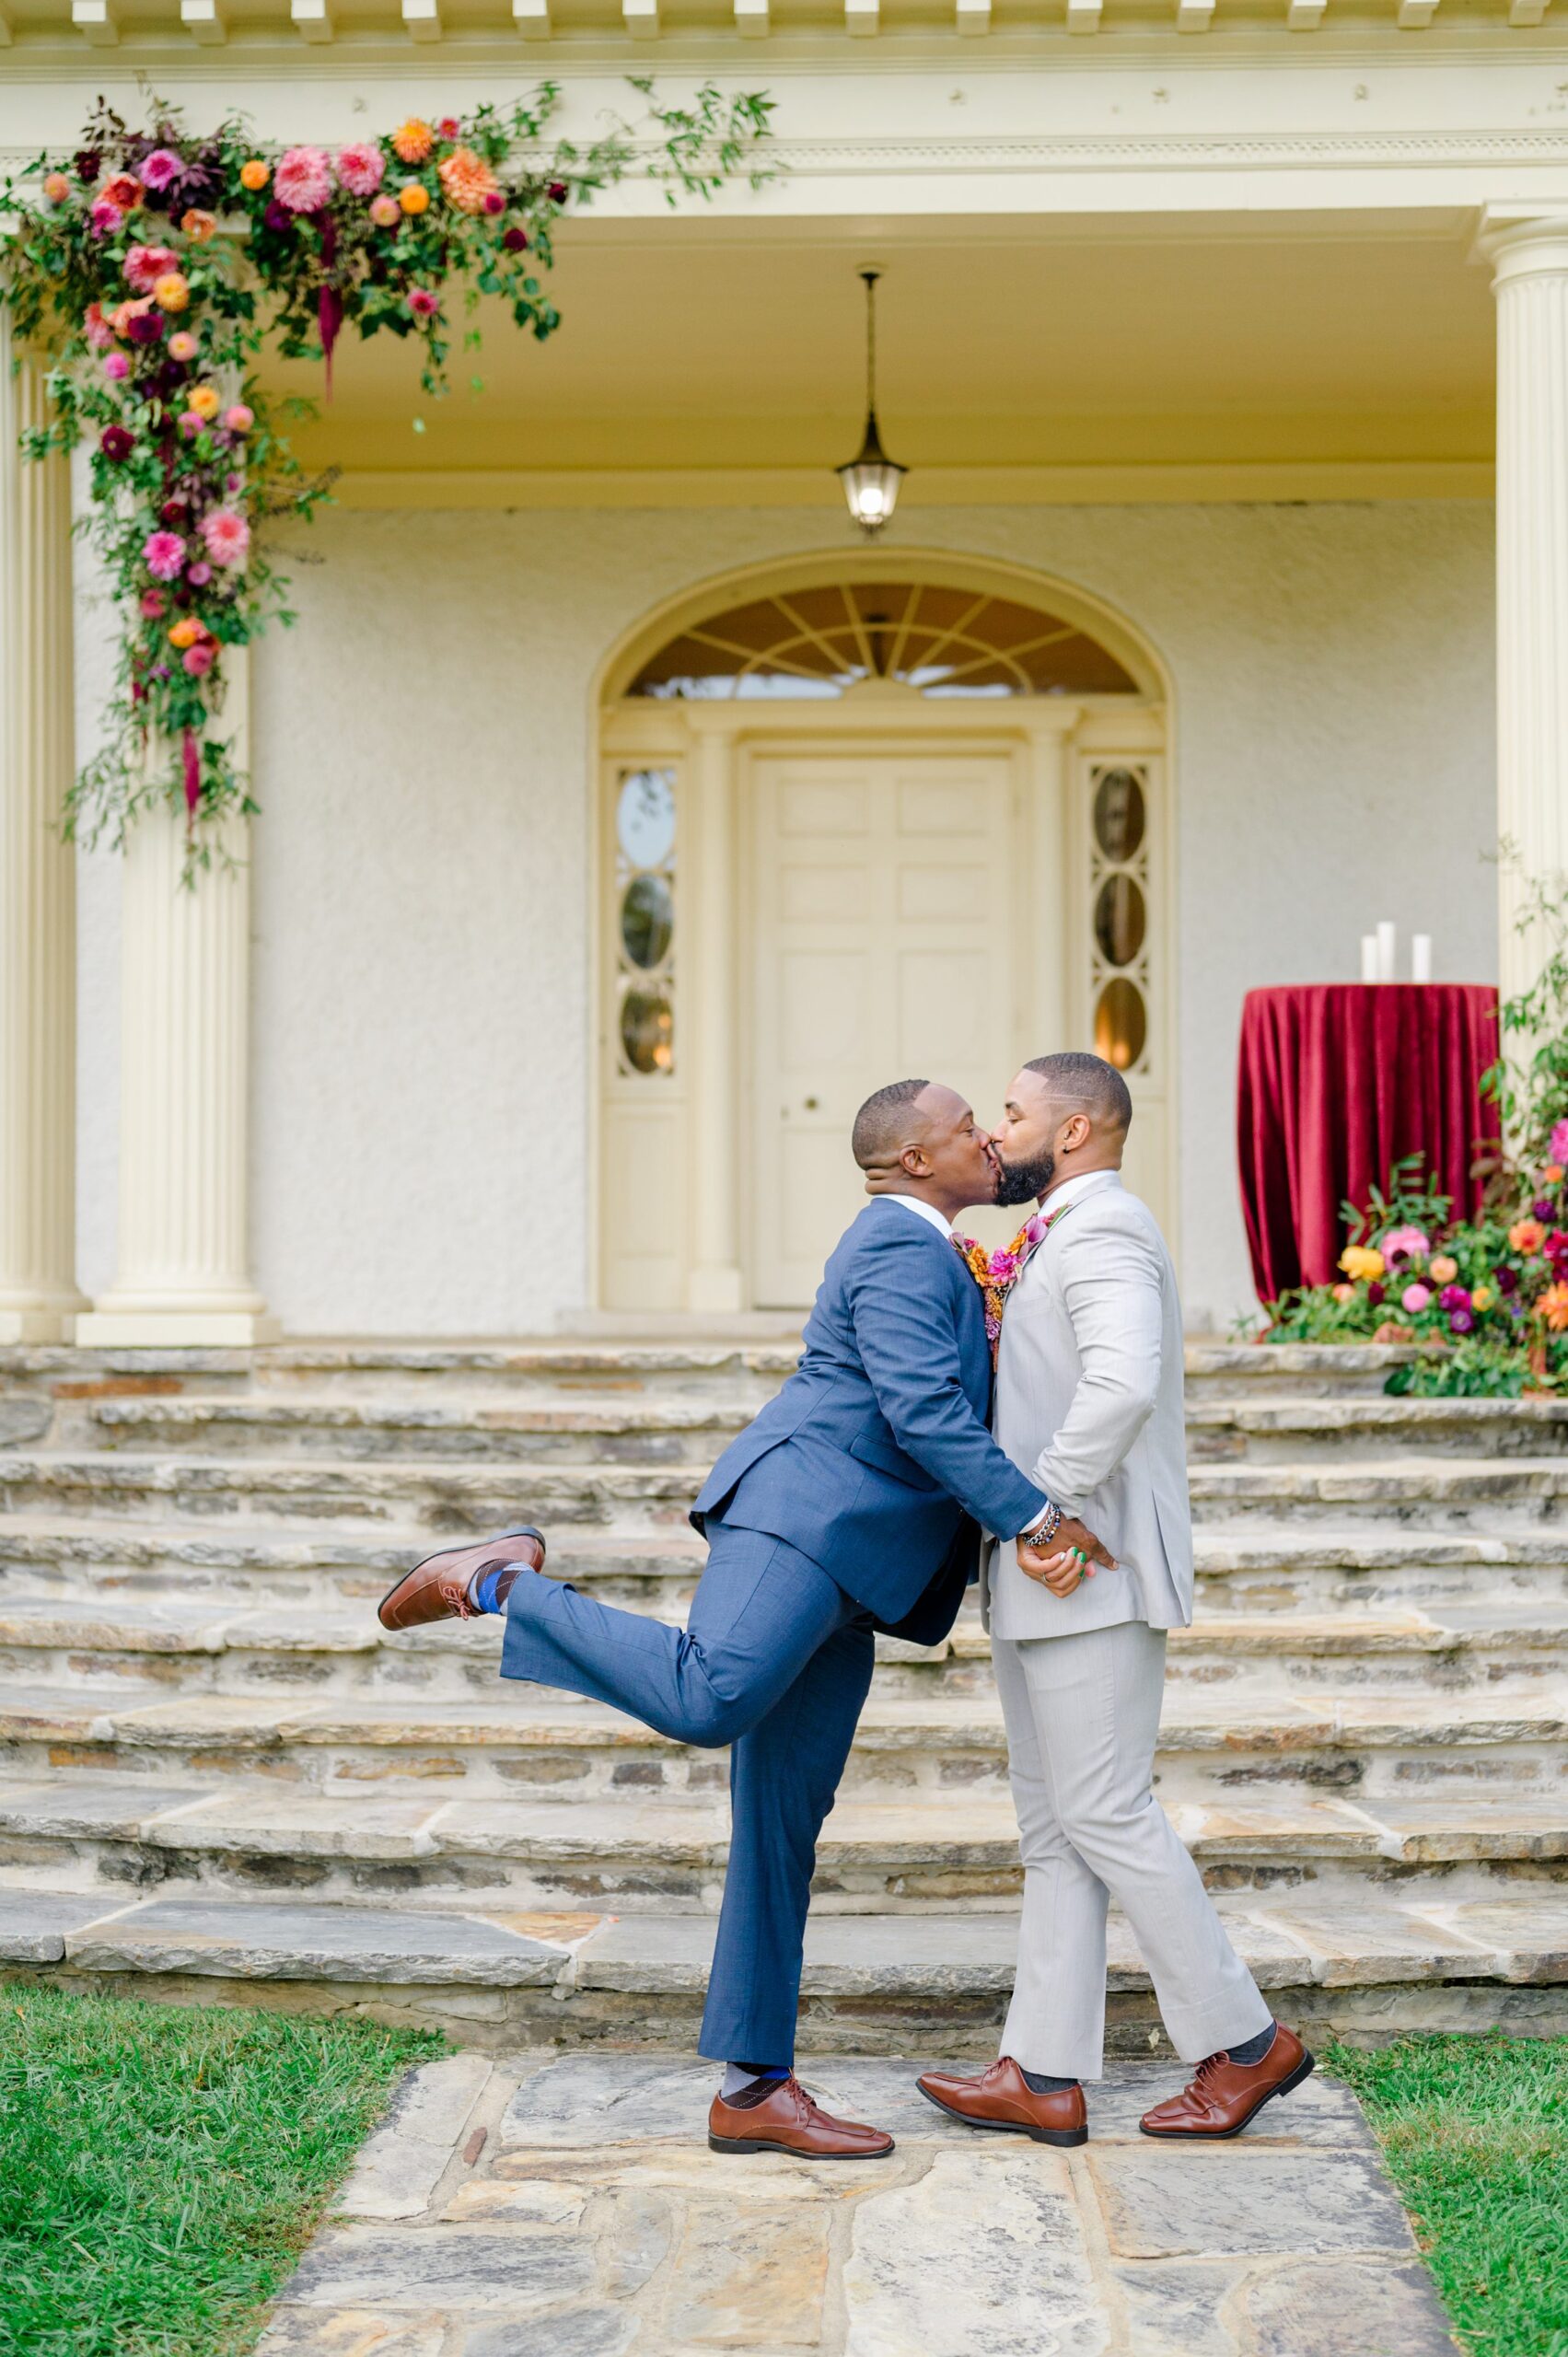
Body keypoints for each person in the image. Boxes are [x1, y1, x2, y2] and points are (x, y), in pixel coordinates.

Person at [377, 1077, 1110, 2160]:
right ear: (913, 1158)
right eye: (965, 1129)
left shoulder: (931, 1246)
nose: (984, 1144)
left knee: (778, 1825)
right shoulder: (898, 1248)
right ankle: (494, 1583)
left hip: (854, 1568)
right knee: (706, 1693)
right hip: (799, 1525)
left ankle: (753, 2088)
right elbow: (920, 1411)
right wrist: (1033, 1522)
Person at [918, 1051, 1315, 2146]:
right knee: (1053, 1826)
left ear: (1078, 1130)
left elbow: (1122, 1382)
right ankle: (1039, 2072)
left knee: (1103, 1811)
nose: (996, 1135)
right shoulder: (1056, 1232)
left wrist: (1037, 1509)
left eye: (1012, 1114)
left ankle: (1242, 2044)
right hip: (1043, 1573)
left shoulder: (1103, 1230)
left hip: (1084, 1567)